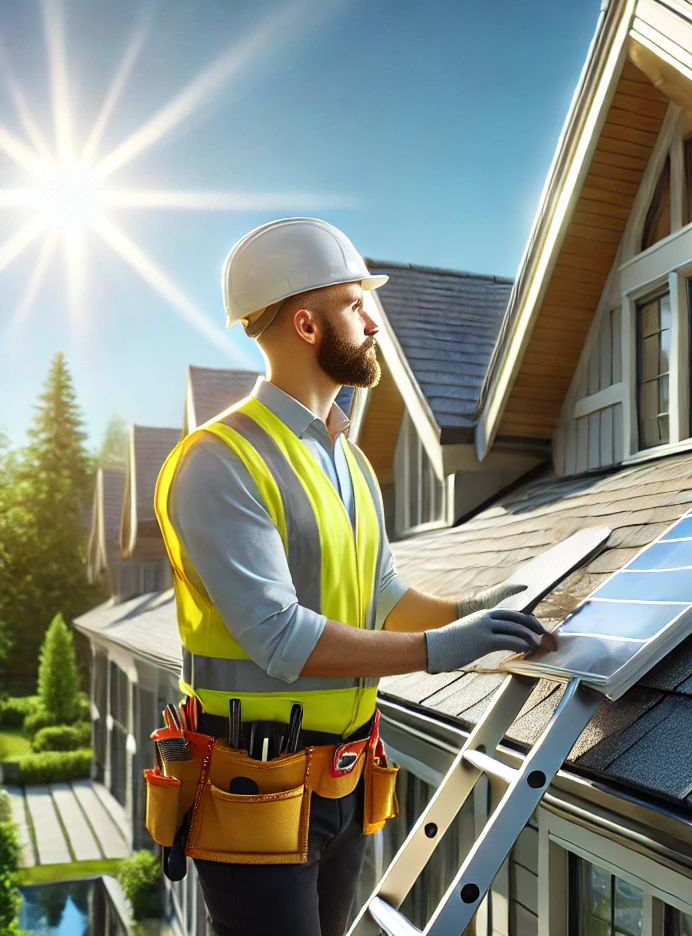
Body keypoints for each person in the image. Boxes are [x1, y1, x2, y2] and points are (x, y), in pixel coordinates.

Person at [153, 217, 547, 936]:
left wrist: (478, 610)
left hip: (347, 778)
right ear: (306, 323)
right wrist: (439, 653)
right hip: (252, 790)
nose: (374, 323)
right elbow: (280, 639)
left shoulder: (351, 460)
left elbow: (384, 599)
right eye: (357, 305)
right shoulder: (219, 462)